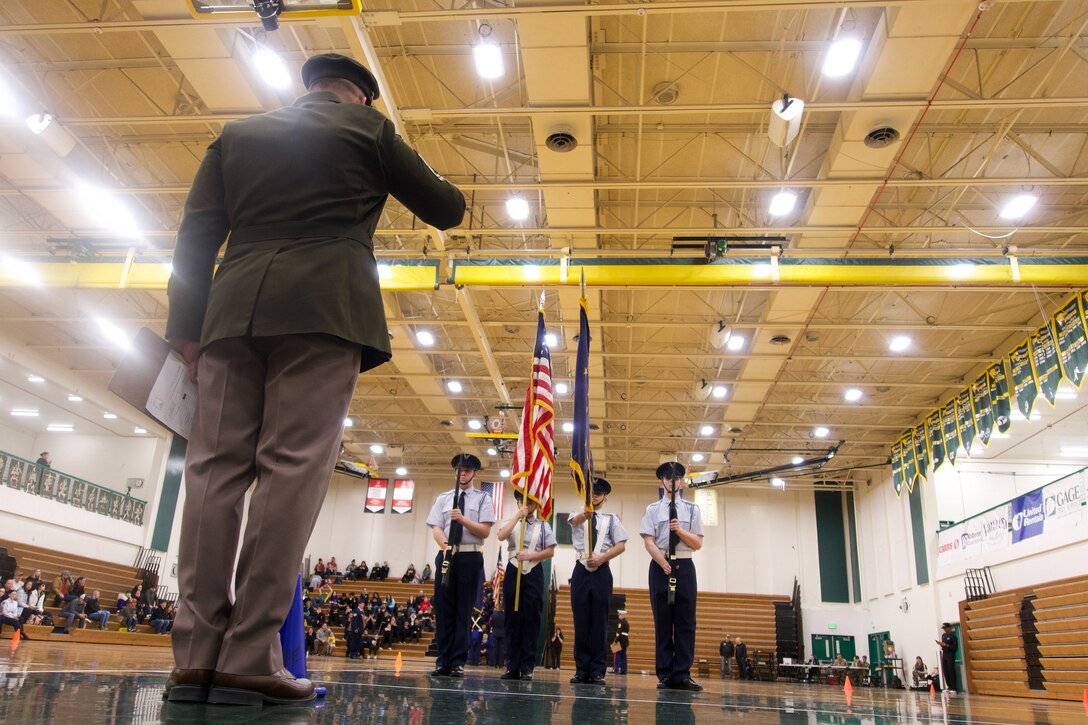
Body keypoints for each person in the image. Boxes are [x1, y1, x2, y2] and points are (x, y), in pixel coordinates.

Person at [163, 52, 465, 707]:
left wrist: (185, 327)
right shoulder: (369, 131)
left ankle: (194, 658)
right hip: (325, 312)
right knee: (288, 472)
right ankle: (248, 657)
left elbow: (195, 235)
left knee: (212, 473)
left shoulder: (237, 136)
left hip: (229, 314)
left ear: (307, 89)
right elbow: (448, 207)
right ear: (360, 96)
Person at [427, 454, 495, 678]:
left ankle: (457, 661)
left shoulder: (483, 499)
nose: (462, 473)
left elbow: (484, 531)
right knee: (444, 609)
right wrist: (445, 545)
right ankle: (442, 660)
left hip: (470, 557)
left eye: (467, 470)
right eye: (459, 469)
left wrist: (463, 519)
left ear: (475, 473)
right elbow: (436, 527)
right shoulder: (443, 498)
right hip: (447, 555)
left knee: (463, 611)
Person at [641, 462, 704, 691]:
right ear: (662, 481)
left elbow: (697, 543)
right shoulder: (652, 509)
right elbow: (648, 540)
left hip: (685, 565)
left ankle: (682, 674)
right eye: (667, 477)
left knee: (686, 622)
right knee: (663, 621)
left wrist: (680, 530)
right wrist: (662, 561)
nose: (671, 480)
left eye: (676, 477)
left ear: (681, 481)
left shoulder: (692, 509)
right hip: (660, 566)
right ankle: (665, 674)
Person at [568, 477, 628, 684]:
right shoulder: (577, 514)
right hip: (581, 570)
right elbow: (573, 522)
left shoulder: (612, 519)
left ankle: (597, 670)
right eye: (591, 493)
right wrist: (585, 514)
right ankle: (581, 669)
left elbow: (621, 545)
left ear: (605, 498)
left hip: (602, 570)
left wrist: (602, 558)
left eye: (598, 494)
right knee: (581, 622)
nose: (594, 497)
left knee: (600, 623)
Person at [497, 491, 557, 681]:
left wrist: (530, 556)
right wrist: (517, 517)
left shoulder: (543, 526)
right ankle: (512, 665)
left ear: (536, 504)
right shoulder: (511, 522)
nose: (527, 505)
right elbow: (501, 536)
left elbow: (550, 551)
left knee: (531, 618)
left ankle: (527, 666)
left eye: (531, 502)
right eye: (523, 501)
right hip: (513, 569)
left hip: (533, 571)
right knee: (512, 619)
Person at [937, 623, 959, 693]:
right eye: (943, 629)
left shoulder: (953, 636)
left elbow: (955, 648)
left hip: (950, 654)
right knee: (945, 670)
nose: (944, 630)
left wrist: (946, 645)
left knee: (951, 670)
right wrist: (940, 644)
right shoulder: (943, 635)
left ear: (949, 628)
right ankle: (949, 686)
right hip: (945, 654)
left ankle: (954, 687)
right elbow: (943, 645)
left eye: (945, 628)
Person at [613, 610, 630, 675]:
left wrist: (615, 641)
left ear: (622, 615)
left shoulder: (621, 622)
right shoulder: (627, 622)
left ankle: (616, 669)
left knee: (617, 655)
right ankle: (624, 670)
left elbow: (618, 632)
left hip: (620, 640)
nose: (618, 616)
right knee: (624, 655)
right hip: (625, 641)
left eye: (619, 615)